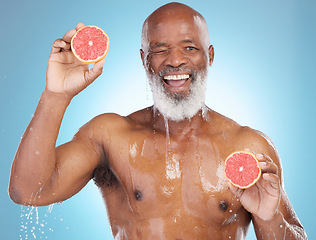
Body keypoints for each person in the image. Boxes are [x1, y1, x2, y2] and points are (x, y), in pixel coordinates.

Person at [9, 2, 307, 239]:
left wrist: (270, 218)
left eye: (189, 48)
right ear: (144, 59)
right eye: (160, 50)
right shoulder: (110, 136)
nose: (175, 60)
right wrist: (55, 96)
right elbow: (29, 190)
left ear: (210, 56)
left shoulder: (249, 147)